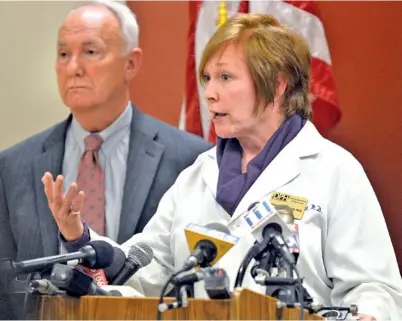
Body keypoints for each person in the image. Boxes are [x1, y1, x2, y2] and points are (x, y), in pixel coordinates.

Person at [47, 13, 402, 320]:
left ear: (277, 85)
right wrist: (83, 241)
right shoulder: (196, 176)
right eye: (206, 78)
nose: (210, 93)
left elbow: (374, 289)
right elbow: (146, 274)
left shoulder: (334, 171)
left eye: (225, 78)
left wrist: (368, 313)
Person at [0, 0, 211, 263]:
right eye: (63, 54)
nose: (73, 68)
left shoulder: (189, 159)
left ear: (131, 63)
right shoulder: (13, 166)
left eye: (90, 51)